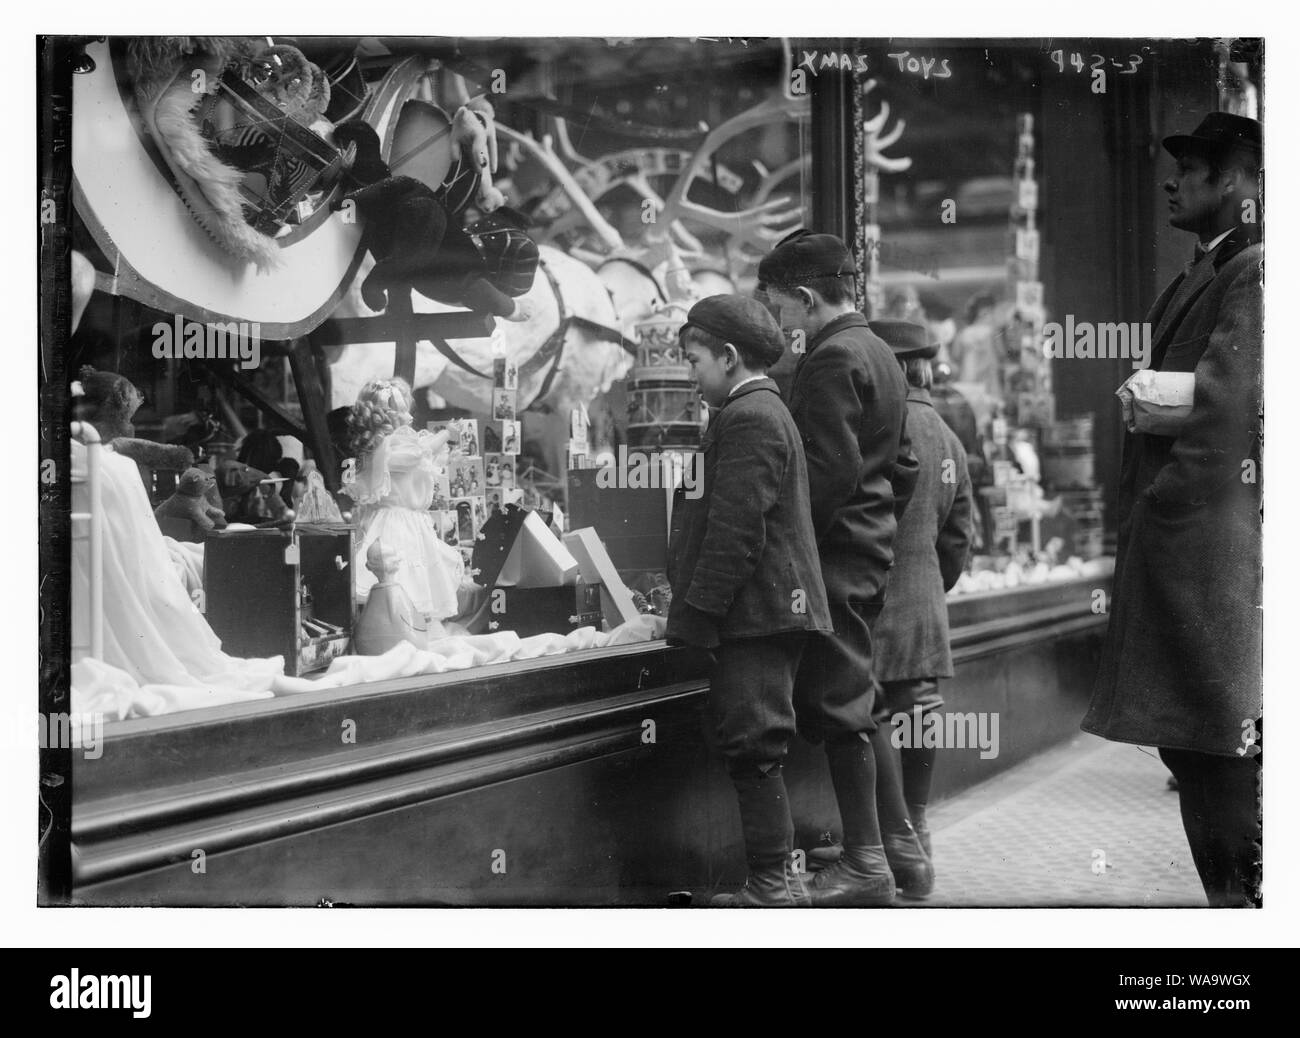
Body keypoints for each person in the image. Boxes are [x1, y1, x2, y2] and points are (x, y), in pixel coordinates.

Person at [1082, 112, 1262, 907]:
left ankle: (1245, 911)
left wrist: (1163, 504)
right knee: (1195, 744)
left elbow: (1226, 412)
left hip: (1205, 550)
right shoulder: (1208, 272)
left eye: (1191, 168)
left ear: (1238, 182)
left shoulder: (1255, 272)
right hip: (1186, 547)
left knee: (1215, 744)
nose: (1171, 180)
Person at [756, 230, 920, 906]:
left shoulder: (828, 360)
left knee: (838, 703)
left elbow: (819, 481)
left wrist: (782, 559)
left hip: (832, 559)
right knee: (861, 698)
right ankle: (900, 850)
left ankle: (864, 864)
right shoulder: (879, 350)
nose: (773, 321)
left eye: (774, 306)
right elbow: (903, 466)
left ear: (802, 297)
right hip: (866, 550)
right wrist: (874, 525)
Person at [665, 295, 833, 907]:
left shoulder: (750, 416)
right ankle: (780, 880)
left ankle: (771, 887)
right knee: (757, 742)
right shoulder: (758, 410)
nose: (691, 373)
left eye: (695, 359)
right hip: (765, 611)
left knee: (754, 743)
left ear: (730, 356)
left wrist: (697, 615)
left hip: (758, 617)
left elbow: (737, 530)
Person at [866, 320, 973, 891]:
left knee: (870, 716)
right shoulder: (948, 436)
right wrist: (930, 583)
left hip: (870, 600)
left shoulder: (878, 425)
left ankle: (896, 843)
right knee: (919, 712)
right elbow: (959, 538)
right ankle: (920, 827)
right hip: (923, 601)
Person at [344, 378, 465, 632]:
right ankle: (397, 629)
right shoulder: (389, 444)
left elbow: (420, 463)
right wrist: (445, 434)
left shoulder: (394, 443)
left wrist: (444, 450)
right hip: (396, 522)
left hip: (407, 520)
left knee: (412, 577)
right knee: (403, 575)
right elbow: (416, 455)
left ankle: (410, 628)